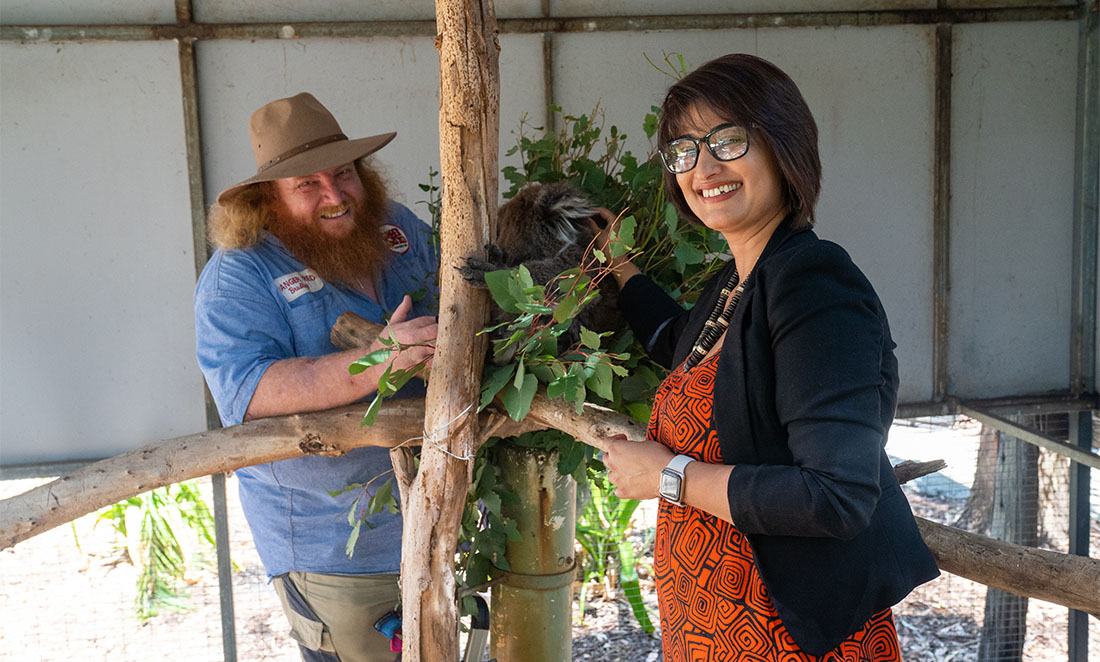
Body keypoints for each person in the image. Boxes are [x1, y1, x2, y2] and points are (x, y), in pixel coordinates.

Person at [597, 54, 939, 660]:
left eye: (726, 140)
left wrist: (668, 478)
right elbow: (678, 343)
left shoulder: (817, 286)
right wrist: (619, 270)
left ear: (784, 146)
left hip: (786, 642)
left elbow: (836, 496)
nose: (703, 167)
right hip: (712, 630)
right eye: (683, 151)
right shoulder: (737, 282)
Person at [194, 93, 439, 662]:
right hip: (335, 551)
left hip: (438, 518)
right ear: (266, 200)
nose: (334, 195)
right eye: (307, 184)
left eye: (344, 173)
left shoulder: (395, 226)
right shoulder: (239, 275)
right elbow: (251, 393)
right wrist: (379, 360)